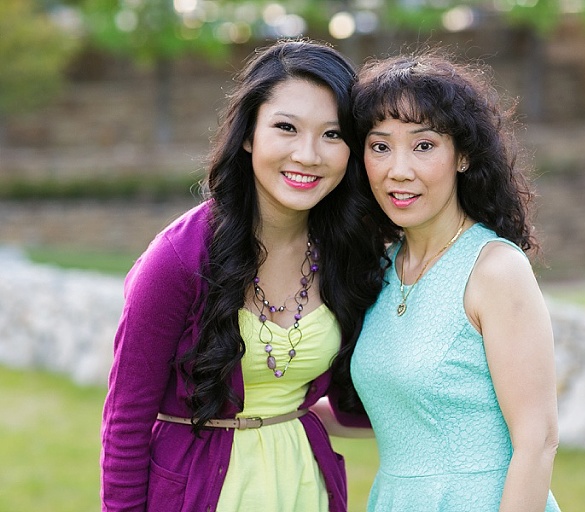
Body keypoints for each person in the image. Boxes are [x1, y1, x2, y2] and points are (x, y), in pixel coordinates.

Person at [100, 39, 386, 512]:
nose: (308, 155)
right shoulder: (177, 259)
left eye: (332, 134)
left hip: (302, 487)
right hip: (198, 492)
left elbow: (364, 400)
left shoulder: (347, 251)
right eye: (286, 128)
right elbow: (125, 423)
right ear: (249, 134)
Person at [347, 51, 562, 511]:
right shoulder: (382, 270)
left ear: (462, 155)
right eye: (380, 146)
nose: (398, 170)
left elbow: (538, 440)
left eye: (423, 146)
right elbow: (396, 412)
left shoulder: (495, 270)